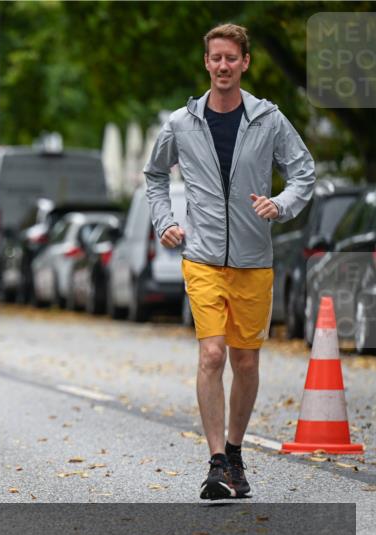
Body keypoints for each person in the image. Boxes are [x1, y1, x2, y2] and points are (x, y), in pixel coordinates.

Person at [144, 24, 315, 500]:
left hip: (254, 260)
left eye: (230, 59)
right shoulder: (182, 123)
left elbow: (303, 172)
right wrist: (165, 222)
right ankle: (216, 461)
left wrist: (280, 205)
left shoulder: (269, 119)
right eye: (215, 58)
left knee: (245, 360)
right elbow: (155, 176)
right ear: (207, 63)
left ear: (244, 63)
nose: (222, 66)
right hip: (200, 257)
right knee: (212, 354)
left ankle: (236, 454)